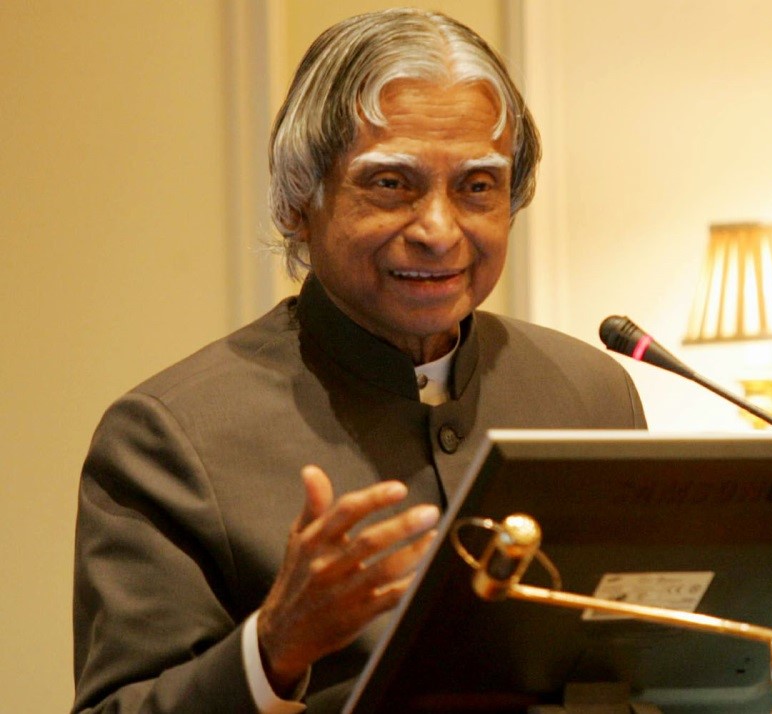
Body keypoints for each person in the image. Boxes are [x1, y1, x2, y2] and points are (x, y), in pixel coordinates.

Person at [72, 8, 646, 713]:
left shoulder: (592, 395)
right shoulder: (168, 437)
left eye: (477, 186)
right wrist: (272, 650)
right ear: (297, 203)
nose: (438, 231)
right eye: (391, 184)